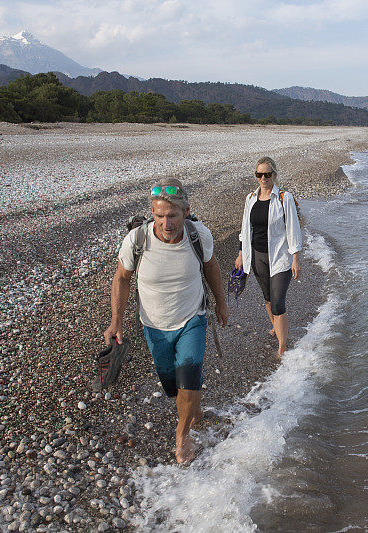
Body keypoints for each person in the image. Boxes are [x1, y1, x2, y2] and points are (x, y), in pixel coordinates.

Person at [103, 178, 229, 464]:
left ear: (186, 210)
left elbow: (211, 267)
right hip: (155, 327)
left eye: (172, 215)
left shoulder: (199, 235)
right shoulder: (137, 240)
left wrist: (221, 303)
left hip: (191, 320)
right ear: (153, 213)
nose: (166, 222)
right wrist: (116, 321)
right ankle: (192, 409)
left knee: (187, 379)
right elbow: (121, 279)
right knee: (172, 386)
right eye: (159, 215)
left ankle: (182, 434)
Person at [235, 157, 301, 357]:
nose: (263, 178)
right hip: (257, 256)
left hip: (280, 257)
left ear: (274, 175)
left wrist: (296, 257)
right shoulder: (250, 198)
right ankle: (275, 326)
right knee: (267, 297)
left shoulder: (284, 198)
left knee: (278, 302)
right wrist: (240, 254)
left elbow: (293, 228)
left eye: (267, 174)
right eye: (259, 174)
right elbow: (245, 228)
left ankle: (282, 345)